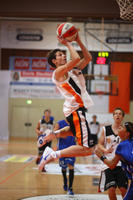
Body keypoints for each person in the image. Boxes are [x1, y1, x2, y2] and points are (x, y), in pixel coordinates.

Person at [38, 29, 96, 171]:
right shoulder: (58, 72)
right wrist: (68, 43)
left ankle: (52, 135)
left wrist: (78, 40)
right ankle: (52, 154)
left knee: (72, 131)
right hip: (75, 109)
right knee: (87, 148)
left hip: (74, 108)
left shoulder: (70, 70)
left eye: (62, 53)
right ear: (54, 61)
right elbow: (76, 58)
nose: (63, 55)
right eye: (59, 55)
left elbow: (87, 58)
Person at [95, 121, 133, 200]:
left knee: (123, 190)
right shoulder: (121, 145)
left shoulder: (122, 145)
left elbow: (112, 165)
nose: (119, 127)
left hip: (119, 169)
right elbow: (112, 165)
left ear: (127, 134)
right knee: (112, 189)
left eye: (122, 127)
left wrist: (101, 156)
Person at [55, 119, 76, 195]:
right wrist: (62, 133)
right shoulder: (59, 123)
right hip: (62, 148)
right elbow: (54, 133)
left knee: (71, 166)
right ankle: (65, 181)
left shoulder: (75, 123)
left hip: (72, 147)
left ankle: (70, 188)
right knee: (63, 167)